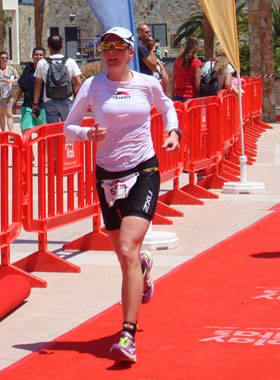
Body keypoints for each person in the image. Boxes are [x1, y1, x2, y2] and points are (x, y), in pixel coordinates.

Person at [64, 26, 181, 364]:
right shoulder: (92, 86)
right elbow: (69, 127)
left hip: (143, 169)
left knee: (128, 247)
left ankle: (127, 335)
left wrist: (173, 131)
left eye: (117, 47)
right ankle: (142, 270)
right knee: (125, 257)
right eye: (105, 48)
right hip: (108, 177)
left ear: (131, 52)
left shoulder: (147, 84)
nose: (110, 53)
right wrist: (88, 133)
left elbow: (167, 107)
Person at [32, 34, 82, 123]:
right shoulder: (70, 62)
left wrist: (35, 103)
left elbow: (38, 85)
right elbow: (78, 82)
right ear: (62, 46)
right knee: (68, 130)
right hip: (67, 100)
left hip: (49, 100)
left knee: (53, 131)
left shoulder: (42, 63)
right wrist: (69, 93)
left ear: (49, 47)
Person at [12, 47, 47, 138]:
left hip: (43, 106)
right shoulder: (28, 69)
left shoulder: (47, 70)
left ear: (44, 56)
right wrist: (15, 102)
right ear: (32, 56)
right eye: (36, 54)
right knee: (26, 133)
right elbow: (22, 88)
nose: (38, 57)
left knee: (45, 135)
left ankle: (44, 153)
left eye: (40, 55)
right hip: (28, 106)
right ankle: (29, 153)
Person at [169, 36, 202, 102]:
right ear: (196, 47)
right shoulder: (196, 62)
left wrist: (172, 95)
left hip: (178, 96)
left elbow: (172, 79)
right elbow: (197, 84)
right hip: (190, 96)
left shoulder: (178, 60)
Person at [0, 51, 19, 132]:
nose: (5, 59)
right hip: (0, 95)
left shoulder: (12, 69)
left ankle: (11, 133)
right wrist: (3, 80)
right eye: (3, 58)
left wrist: (14, 81)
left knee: (9, 113)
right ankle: (3, 132)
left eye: (6, 58)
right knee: (1, 114)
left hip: (10, 94)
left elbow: (18, 78)